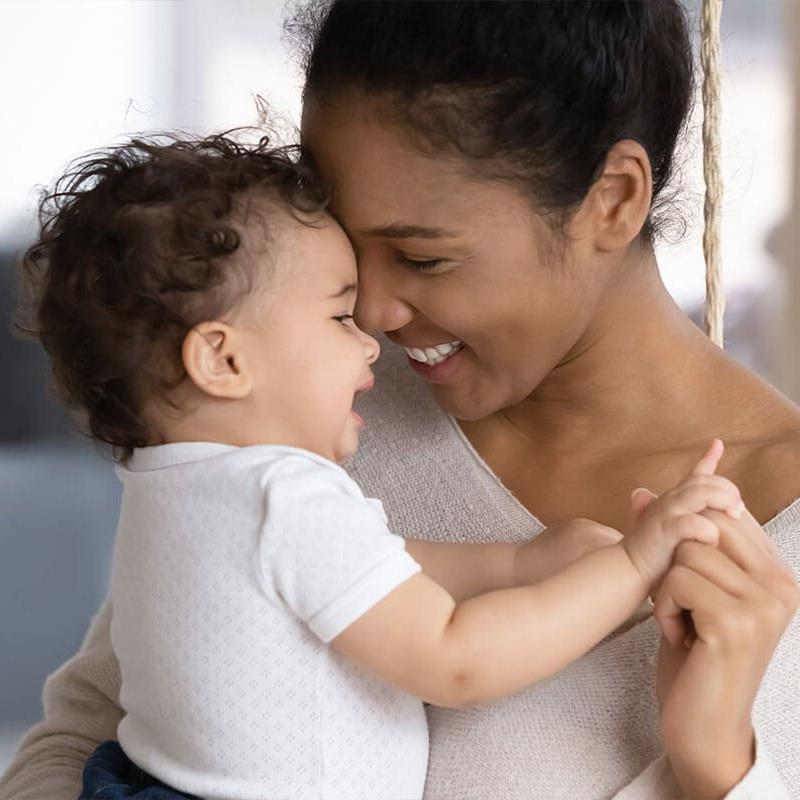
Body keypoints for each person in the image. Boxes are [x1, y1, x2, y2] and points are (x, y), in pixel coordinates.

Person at [1, 2, 798, 799]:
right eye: (345, 251)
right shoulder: (293, 417)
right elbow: (86, 735)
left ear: (614, 200)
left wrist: (718, 768)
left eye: (422, 256)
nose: (373, 316)